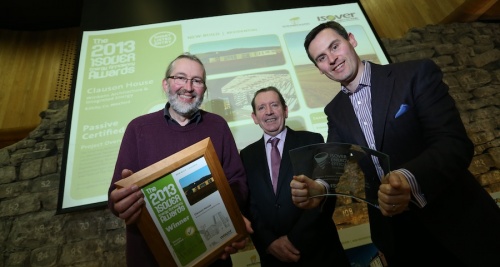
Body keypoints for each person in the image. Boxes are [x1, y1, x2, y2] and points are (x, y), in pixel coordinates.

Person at [290, 21, 500, 266]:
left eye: (335, 46)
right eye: (322, 58)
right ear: (319, 68)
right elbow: (334, 155)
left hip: (457, 220)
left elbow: (453, 143)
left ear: (351, 40)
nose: (332, 59)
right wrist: (319, 186)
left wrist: (407, 177)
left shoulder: (414, 74)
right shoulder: (335, 110)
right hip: (399, 235)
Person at [108, 53, 251, 267]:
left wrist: (228, 211)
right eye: (181, 78)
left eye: (197, 80)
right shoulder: (138, 128)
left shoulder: (218, 126)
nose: (189, 87)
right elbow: (115, 197)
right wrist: (120, 202)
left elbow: (238, 182)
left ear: (204, 88)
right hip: (150, 258)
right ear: (166, 84)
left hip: (212, 253)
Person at [240, 86, 350, 267]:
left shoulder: (312, 141)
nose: (268, 112)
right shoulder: (246, 155)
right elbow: (249, 205)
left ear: (285, 110)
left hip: (318, 253)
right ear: (254, 117)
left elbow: (326, 195)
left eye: (274, 105)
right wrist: (269, 242)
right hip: (274, 257)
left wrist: (294, 240)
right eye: (261, 108)